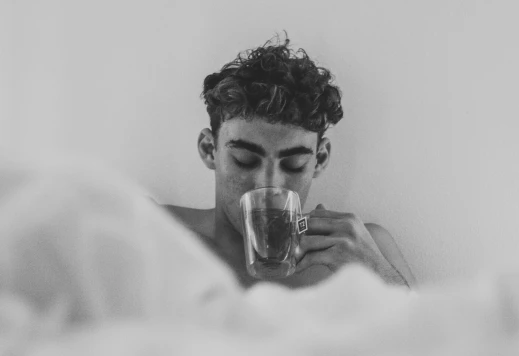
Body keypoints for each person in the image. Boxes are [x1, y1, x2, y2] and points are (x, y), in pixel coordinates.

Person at [164, 33, 416, 289]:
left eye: (293, 164)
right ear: (209, 150)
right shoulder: (156, 234)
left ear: (319, 159)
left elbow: (431, 328)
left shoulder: (362, 249)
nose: (269, 184)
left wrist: (379, 272)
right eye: (245, 160)